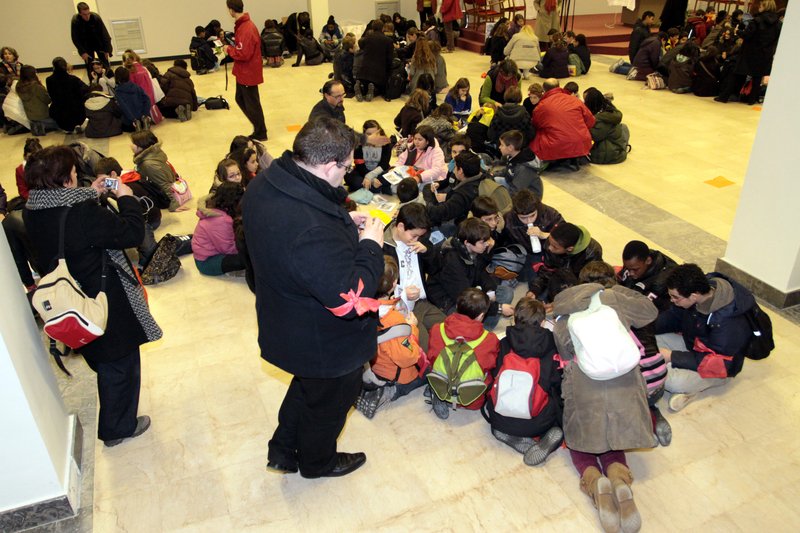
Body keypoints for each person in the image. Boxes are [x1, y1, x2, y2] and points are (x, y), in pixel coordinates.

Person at [242, 117, 385, 479]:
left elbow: (299, 240)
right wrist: (370, 246)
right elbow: (350, 299)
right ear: (327, 165)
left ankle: (284, 450)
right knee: (330, 404)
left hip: (286, 319)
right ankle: (317, 462)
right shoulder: (309, 228)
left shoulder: (266, 182)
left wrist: (341, 223)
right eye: (346, 165)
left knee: (309, 388)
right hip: (324, 342)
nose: (348, 172)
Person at [23, 145, 160, 446]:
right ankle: (117, 428)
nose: (78, 178)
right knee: (120, 362)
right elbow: (131, 233)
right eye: (74, 175)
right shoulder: (81, 213)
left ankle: (116, 417)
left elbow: (69, 225)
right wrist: (126, 197)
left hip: (72, 296)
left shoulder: (33, 209)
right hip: (102, 296)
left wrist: (91, 194)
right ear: (65, 182)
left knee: (101, 355)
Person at [551, 265, 658, 533]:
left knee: (582, 438)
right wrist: (617, 291)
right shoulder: (612, 298)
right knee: (615, 433)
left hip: (586, 385)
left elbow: (566, 357)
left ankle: (593, 479)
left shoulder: (562, 316)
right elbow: (650, 311)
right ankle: (619, 478)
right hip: (625, 382)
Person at [656, 264, 756, 412]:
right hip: (694, 347)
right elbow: (672, 317)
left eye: (675, 297)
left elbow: (717, 361)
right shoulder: (698, 293)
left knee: (672, 381)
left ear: (694, 296)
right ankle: (683, 381)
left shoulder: (729, 322)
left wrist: (672, 356)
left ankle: (692, 387)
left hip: (718, 367)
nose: (672, 300)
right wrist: (645, 328)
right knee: (652, 340)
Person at [487, 297, 563, 464]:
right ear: (543, 322)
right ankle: (545, 434)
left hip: (499, 417)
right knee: (556, 398)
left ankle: (505, 431)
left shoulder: (504, 342)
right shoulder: (551, 345)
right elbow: (556, 382)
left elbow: (493, 373)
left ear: (514, 319)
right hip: (536, 422)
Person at [354, 255, 426, 418]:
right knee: (428, 370)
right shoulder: (394, 320)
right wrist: (412, 328)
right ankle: (391, 392)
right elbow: (407, 358)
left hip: (366, 362)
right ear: (394, 284)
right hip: (388, 372)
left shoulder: (356, 304)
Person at [426, 287, 501, 418]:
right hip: (472, 400)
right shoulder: (490, 339)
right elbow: (490, 366)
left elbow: (431, 357)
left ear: (456, 306)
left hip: (441, 383)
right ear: (481, 315)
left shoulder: (438, 329)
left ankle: (438, 393)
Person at [427, 218, 515, 329]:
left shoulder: (472, 249)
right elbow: (466, 300)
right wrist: (499, 308)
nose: (487, 244)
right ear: (467, 243)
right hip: (449, 302)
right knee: (470, 314)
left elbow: (481, 273)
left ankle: (483, 328)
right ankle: (476, 333)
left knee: (505, 293)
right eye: (483, 242)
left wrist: (490, 291)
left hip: (467, 289)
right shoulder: (451, 261)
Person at [381, 203, 444, 351]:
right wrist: (403, 294)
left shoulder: (419, 239)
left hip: (422, 301)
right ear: (401, 227)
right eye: (414, 235)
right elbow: (379, 289)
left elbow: (437, 268)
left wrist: (427, 252)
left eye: (420, 236)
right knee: (423, 346)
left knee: (449, 331)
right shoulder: (383, 247)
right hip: (398, 308)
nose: (417, 239)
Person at [715, 0, 781, 105]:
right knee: (757, 78)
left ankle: (724, 97)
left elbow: (747, 35)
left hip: (749, 53)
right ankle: (751, 100)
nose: (759, 7)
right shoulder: (778, 23)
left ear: (764, 6)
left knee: (737, 74)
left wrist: (738, 32)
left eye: (761, 5)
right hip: (765, 54)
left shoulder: (756, 21)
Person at [527, 222, 604, 302]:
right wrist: (535, 289)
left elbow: (590, 282)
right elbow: (547, 270)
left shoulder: (592, 252)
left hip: (578, 283)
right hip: (558, 277)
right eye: (549, 242)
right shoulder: (553, 242)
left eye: (554, 247)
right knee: (538, 299)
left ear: (569, 249)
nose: (549, 248)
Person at [225, 0, 267, 141]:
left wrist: (228, 49)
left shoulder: (246, 28)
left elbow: (244, 53)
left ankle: (261, 131)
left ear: (231, 10)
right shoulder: (242, 26)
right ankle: (258, 128)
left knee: (252, 103)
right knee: (241, 99)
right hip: (243, 71)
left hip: (248, 72)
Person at [501, 189, 563, 279]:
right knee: (527, 277)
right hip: (526, 254)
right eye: (523, 218)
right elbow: (504, 242)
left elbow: (564, 236)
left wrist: (544, 235)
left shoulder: (550, 214)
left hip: (549, 252)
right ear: (515, 213)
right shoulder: (508, 219)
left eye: (532, 216)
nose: (529, 221)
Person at [530, 79, 595, 164]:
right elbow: (591, 121)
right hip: (581, 142)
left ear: (544, 90)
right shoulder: (575, 100)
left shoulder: (541, 106)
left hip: (556, 145)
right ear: (558, 86)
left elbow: (536, 125)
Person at [192, 181, 246, 276]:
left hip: (211, 252)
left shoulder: (216, 209)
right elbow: (228, 249)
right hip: (207, 262)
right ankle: (231, 271)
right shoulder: (221, 220)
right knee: (247, 257)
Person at [423, 151, 487, 228]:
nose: (454, 169)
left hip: (464, 222)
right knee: (428, 188)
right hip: (463, 207)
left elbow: (440, 213)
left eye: (456, 167)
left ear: (461, 171)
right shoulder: (482, 175)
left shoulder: (464, 193)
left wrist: (426, 205)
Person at [131, 130, 185, 212]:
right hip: (165, 179)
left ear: (141, 146)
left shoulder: (148, 164)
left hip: (157, 190)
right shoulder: (154, 151)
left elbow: (163, 184)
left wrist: (173, 204)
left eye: (133, 143)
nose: (131, 145)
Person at [618, 240, 677, 313]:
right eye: (627, 268)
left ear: (648, 261)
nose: (631, 273)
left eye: (635, 269)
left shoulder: (664, 283)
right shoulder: (634, 264)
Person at [344, 119, 393, 193]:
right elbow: (360, 166)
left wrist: (370, 177)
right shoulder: (359, 146)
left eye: (375, 133)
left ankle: (366, 187)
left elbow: (384, 164)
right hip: (362, 172)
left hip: (379, 172)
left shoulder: (385, 144)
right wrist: (372, 180)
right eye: (369, 134)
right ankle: (379, 188)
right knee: (347, 174)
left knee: (391, 175)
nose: (373, 137)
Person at [582, 88, 628, 165]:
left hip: (604, 156)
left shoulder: (600, 120)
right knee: (623, 127)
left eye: (585, 101)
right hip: (616, 149)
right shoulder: (610, 111)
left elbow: (593, 136)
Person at [45, 57, 89, 133]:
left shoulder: (49, 80)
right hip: (78, 112)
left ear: (54, 67)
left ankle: (67, 128)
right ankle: (77, 124)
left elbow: (51, 95)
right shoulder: (73, 79)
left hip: (60, 113)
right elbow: (86, 89)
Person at [355, 20, 394, 102]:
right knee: (381, 86)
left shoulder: (366, 39)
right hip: (379, 72)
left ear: (372, 28)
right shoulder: (388, 41)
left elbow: (360, 44)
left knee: (365, 83)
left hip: (364, 70)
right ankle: (373, 87)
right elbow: (389, 59)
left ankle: (360, 85)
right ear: (382, 28)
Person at [71, 2, 112, 77]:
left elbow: (104, 34)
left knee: (105, 63)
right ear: (80, 14)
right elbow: (75, 38)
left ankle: (109, 79)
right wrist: (82, 52)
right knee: (89, 66)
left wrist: (107, 50)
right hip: (86, 45)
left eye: (88, 13)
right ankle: (93, 83)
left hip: (99, 43)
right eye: (84, 14)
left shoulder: (96, 17)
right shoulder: (75, 20)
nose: (87, 16)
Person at [497, 130, 544, 196]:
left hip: (529, 200)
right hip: (515, 186)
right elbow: (508, 171)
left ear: (510, 148)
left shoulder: (524, 169)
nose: (499, 147)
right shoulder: (513, 157)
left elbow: (515, 191)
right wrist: (493, 174)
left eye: (502, 145)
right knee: (494, 180)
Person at [15, 65, 59, 136]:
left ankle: (38, 125)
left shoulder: (18, 86)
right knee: (60, 123)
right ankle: (43, 126)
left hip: (30, 115)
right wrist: (42, 86)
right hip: (43, 115)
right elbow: (47, 100)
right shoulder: (37, 87)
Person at [113, 67, 151, 132]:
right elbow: (147, 99)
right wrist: (145, 114)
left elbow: (124, 107)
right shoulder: (136, 86)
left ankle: (137, 123)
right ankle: (144, 121)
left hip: (130, 123)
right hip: (141, 117)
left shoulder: (118, 91)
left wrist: (133, 119)